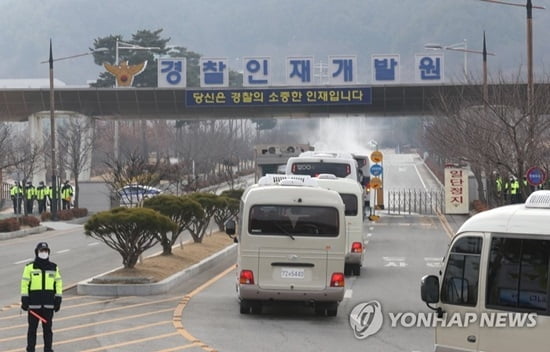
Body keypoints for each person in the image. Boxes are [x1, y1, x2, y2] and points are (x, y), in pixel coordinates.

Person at [21, 242, 62, 352]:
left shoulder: (54, 267)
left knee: (48, 330)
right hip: (33, 306)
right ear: (37, 252)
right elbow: (24, 284)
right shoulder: (29, 267)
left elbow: (58, 283)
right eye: (41, 251)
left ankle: (48, 349)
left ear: (48, 252)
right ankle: (30, 349)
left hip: (48, 305)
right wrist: (24, 299)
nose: (44, 253)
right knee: (32, 330)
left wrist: (58, 299)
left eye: (46, 251)